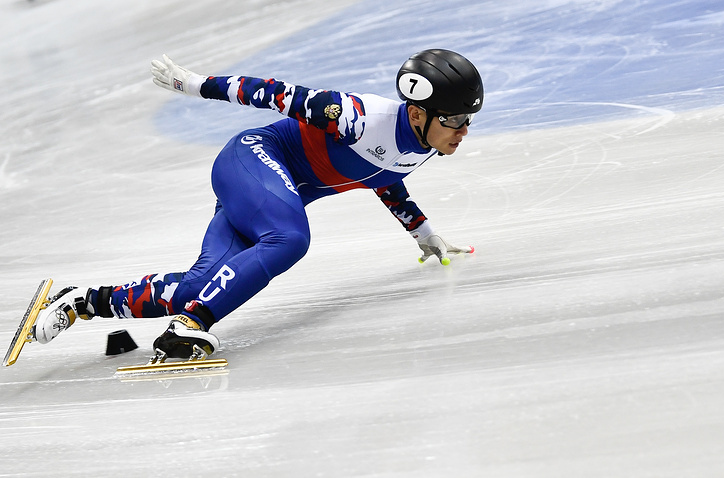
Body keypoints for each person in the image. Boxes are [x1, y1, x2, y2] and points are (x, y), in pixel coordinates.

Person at [31, 49, 484, 360]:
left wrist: (423, 235)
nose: (463, 131)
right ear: (419, 112)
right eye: (456, 121)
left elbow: (386, 179)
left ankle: (84, 302)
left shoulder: (428, 142)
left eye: (468, 120)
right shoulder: (356, 116)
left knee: (199, 285)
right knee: (289, 238)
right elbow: (272, 92)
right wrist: (192, 84)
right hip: (251, 159)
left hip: (267, 195)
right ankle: (189, 328)